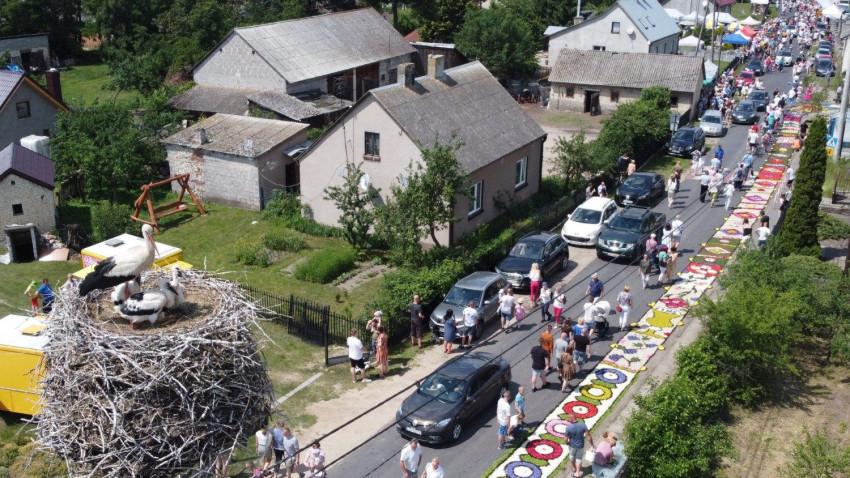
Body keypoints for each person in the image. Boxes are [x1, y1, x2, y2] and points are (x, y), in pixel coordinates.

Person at [565, 413, 594, 478]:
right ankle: (577, 472)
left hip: (572, 446)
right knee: (578, 458)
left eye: (569, 418)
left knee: (572, 457)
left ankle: (575, 469)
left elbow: (565, 438)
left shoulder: (568, 427)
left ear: (571, 418)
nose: (568, 420)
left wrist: (567, 443)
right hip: (581, 445)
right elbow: (588, 436)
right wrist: (592, 444)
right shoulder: (583, 425)